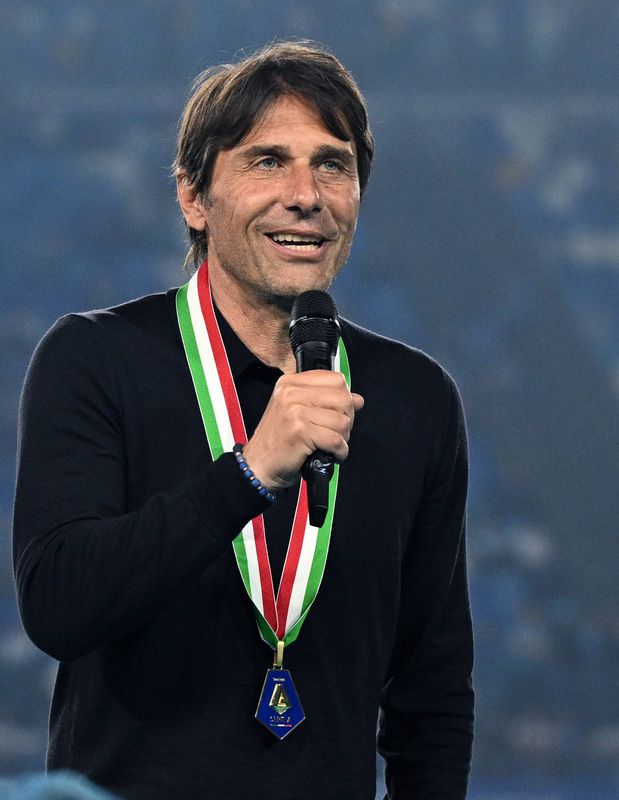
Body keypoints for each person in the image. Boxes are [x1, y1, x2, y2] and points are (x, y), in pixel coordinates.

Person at [13, 41, 473, 800]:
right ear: (195, 197)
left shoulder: (414, 397)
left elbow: (433, 691)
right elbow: (60, 606)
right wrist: (251, 472)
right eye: (267, 162)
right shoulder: (95, 358)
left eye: (333, 165)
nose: (306, 194)